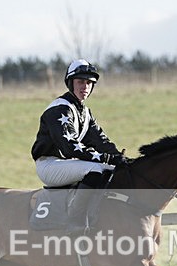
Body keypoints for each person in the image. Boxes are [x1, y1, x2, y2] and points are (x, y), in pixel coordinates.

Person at [31, 59, 128, 232]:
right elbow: (70, 148)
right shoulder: (59, 109)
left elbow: (101, 142)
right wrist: (107, 158)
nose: (85, 87)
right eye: (80, 82)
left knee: (111, 169)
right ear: (70, 83)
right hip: (49, 165)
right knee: (96, 169)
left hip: (65, 164)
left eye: (89, 83)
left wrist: (123, 161)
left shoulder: (84, 112)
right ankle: (74, 221)